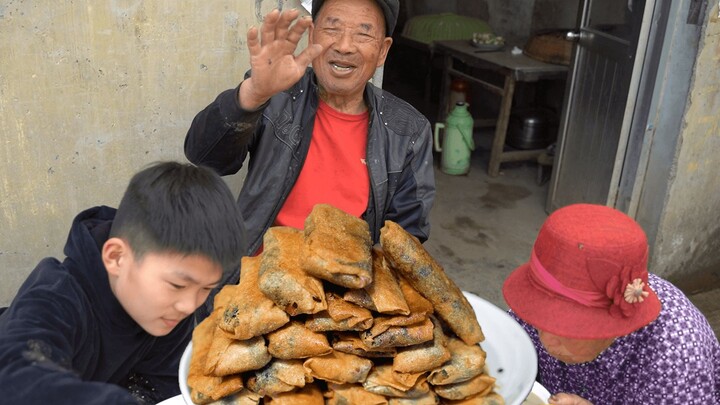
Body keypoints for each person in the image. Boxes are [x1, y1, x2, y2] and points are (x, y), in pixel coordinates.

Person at [184, 0, 435, 281]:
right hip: (257, 278)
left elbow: (405, 238)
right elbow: (205, 157)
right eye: (332, 28)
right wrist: (253, 94)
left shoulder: (409, 130)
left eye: (363, 34)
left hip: (343, 290)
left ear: (382, 51)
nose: (344, 46)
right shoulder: (277, 92)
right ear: (312, 35)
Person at [0, 162, 247, 404]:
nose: (189, 306)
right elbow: (15, 377)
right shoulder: (55, 297)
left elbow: (160, 385)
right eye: (177, 285)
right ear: (116, 257)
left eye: (206, 288)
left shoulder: (170, 312)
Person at [503, 203, 720, 405]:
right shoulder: (552, 286)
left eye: (568, 328)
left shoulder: (675, 359)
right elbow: (499, 353)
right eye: (543, 321)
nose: (546, 340)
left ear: (613, 328)